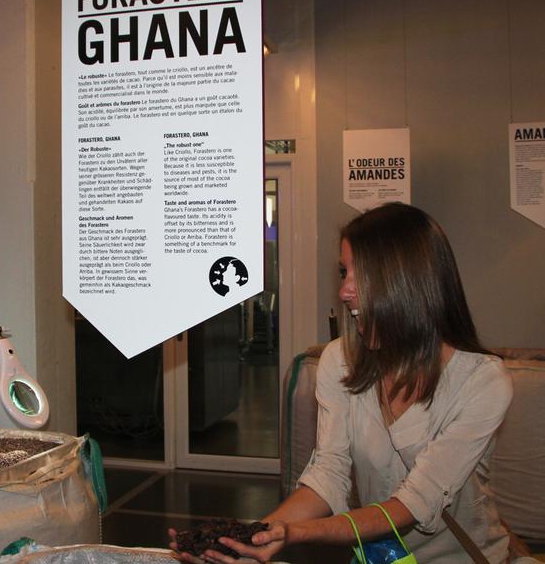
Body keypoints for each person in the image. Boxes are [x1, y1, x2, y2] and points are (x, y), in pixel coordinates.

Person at [171, 203, 514, 563]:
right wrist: (250, 541)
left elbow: (412, 504)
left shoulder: (483, 382)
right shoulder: (340, 361)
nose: (344, 291)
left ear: (406, 281)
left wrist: (295, 534)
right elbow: (330, 473)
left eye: (358, 274)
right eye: (342, 272)